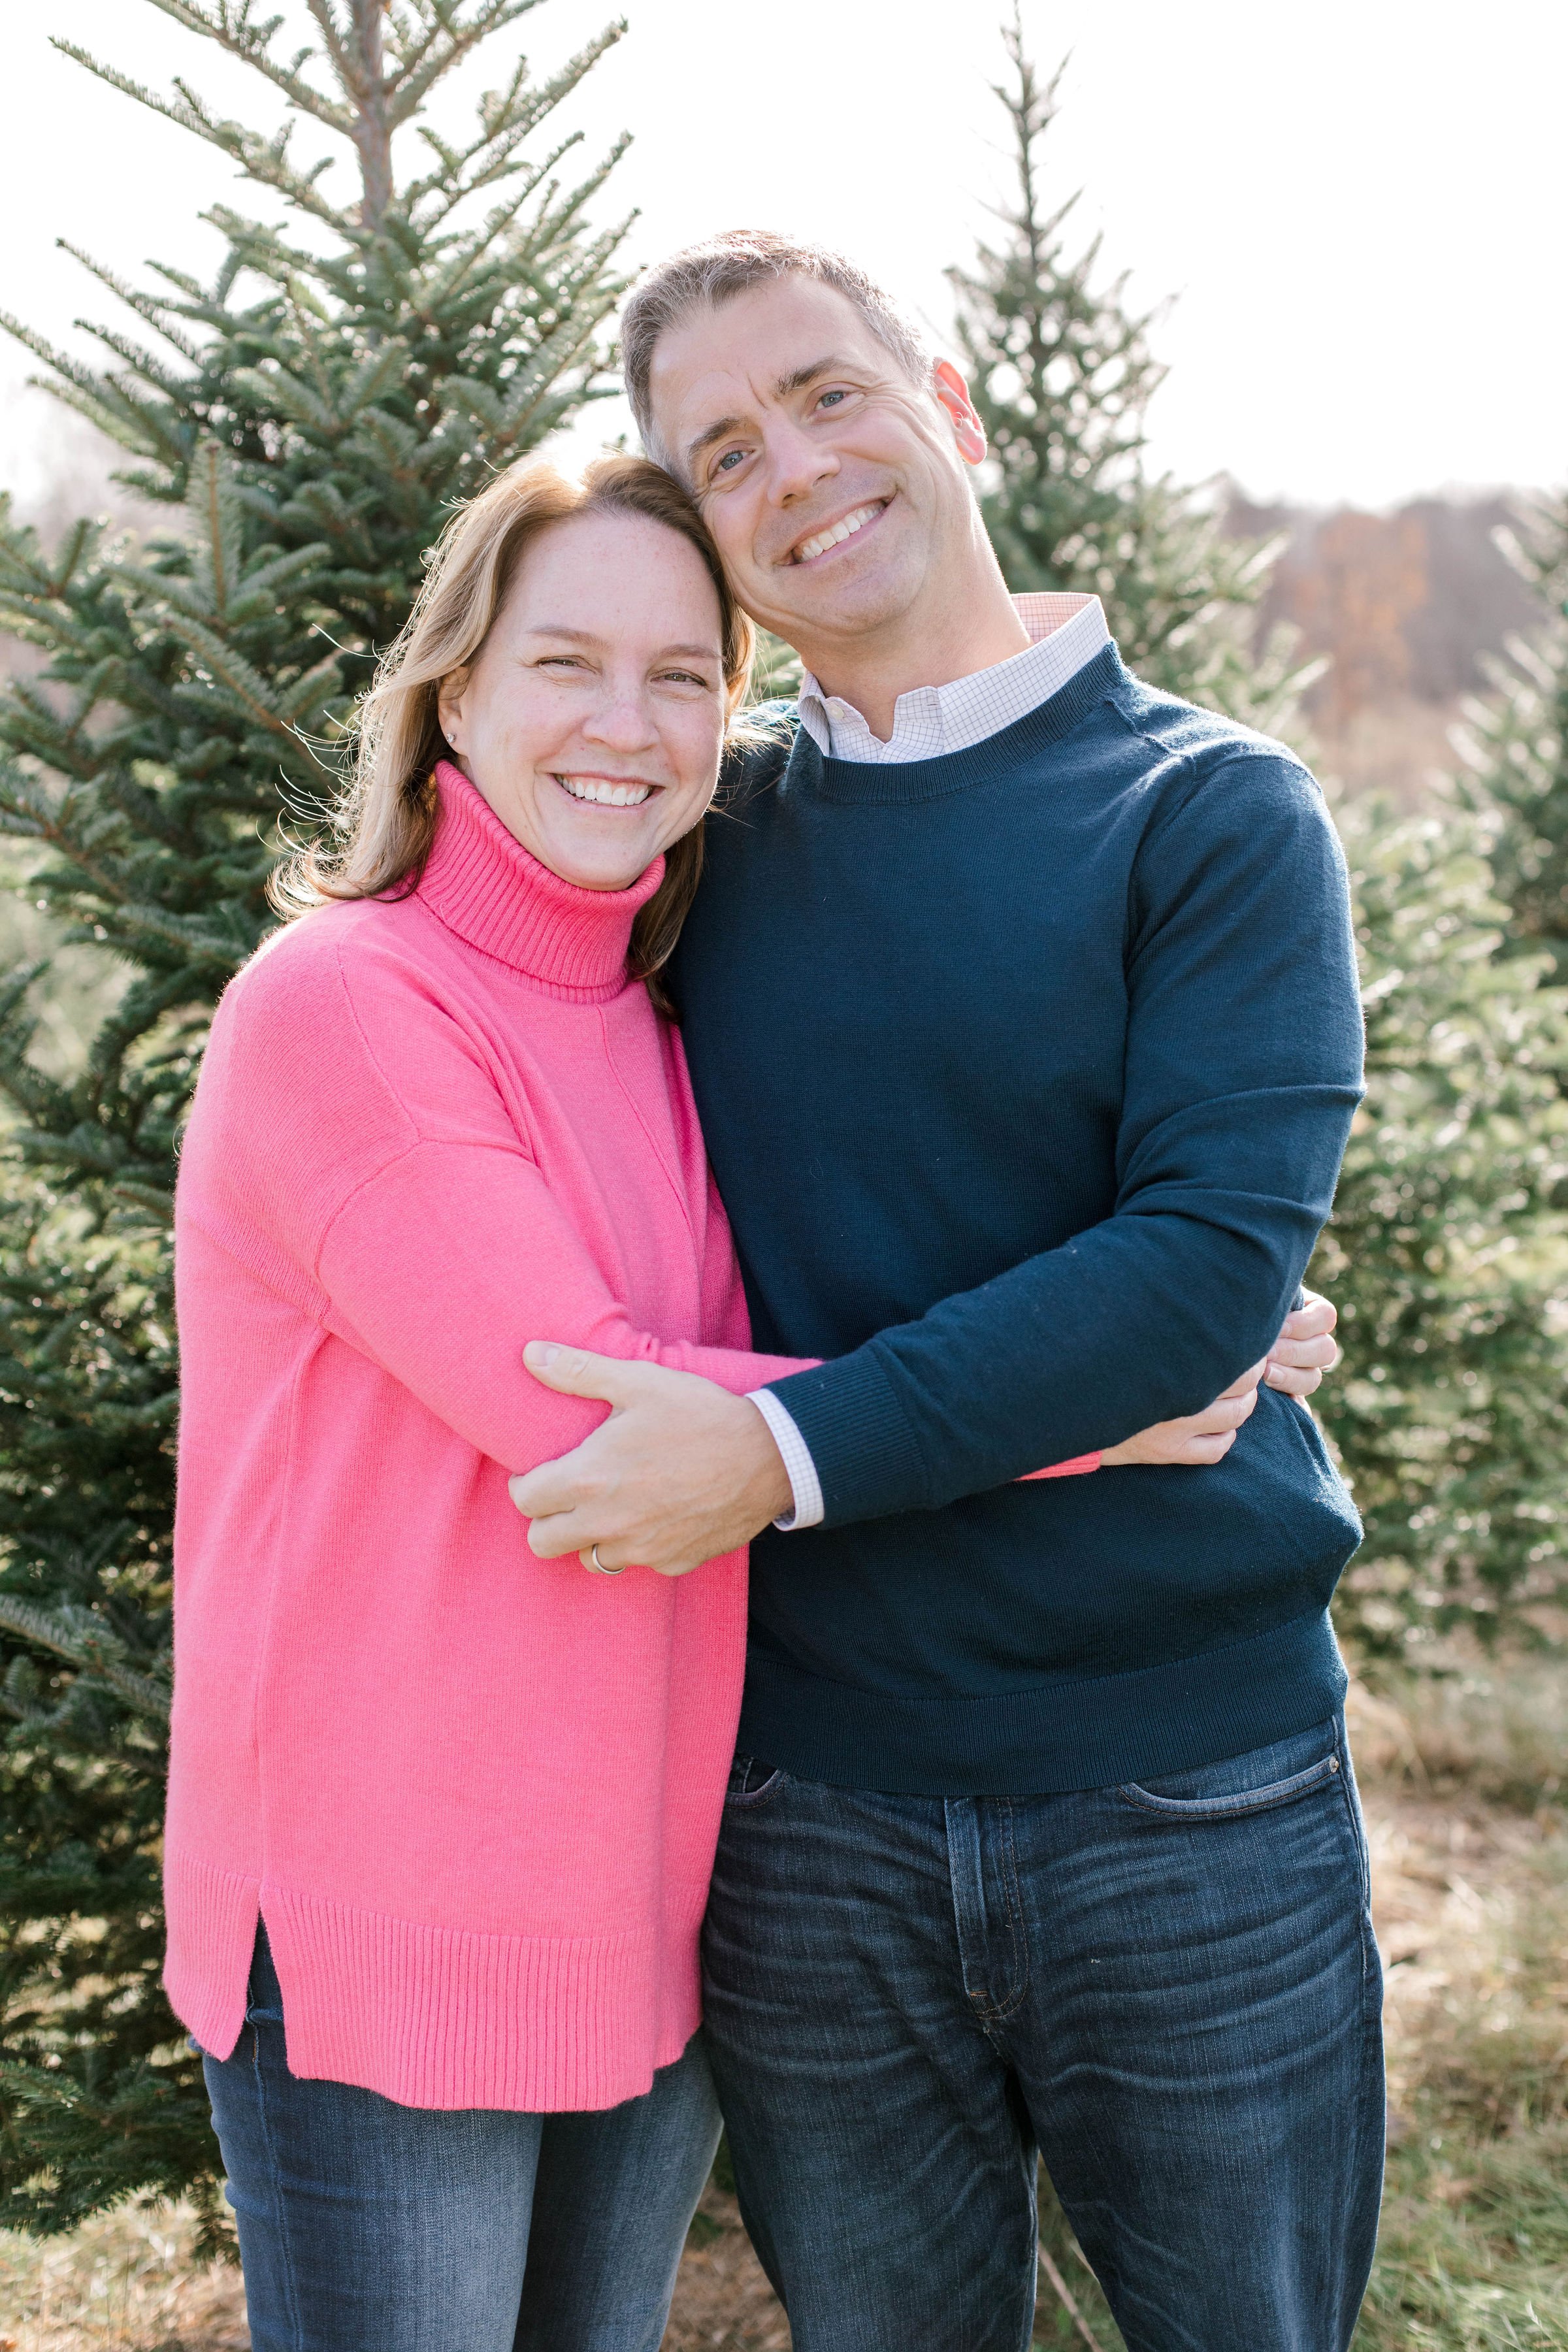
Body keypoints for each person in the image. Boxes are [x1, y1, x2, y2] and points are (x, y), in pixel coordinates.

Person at [163, 451, 1281, 2352]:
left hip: (641, 1898)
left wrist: (1159, 1304)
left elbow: (850, 1295)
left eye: (687, 673)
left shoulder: (659, 1018)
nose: (630, 723)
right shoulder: (345, 1003)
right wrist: (1094, 1404)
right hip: (392, 1907)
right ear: (456, 690)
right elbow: (601, 1414)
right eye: (566, 661)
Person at [509, 235, 1380, 2352]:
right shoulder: (697, 850)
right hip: (811, 1816)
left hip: (1192, 1797)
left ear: (948, 401)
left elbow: (1190, 1277)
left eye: (824, 395)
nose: (793, 469)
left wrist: (785, 1450)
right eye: (721, 453)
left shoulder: (1213, 815)